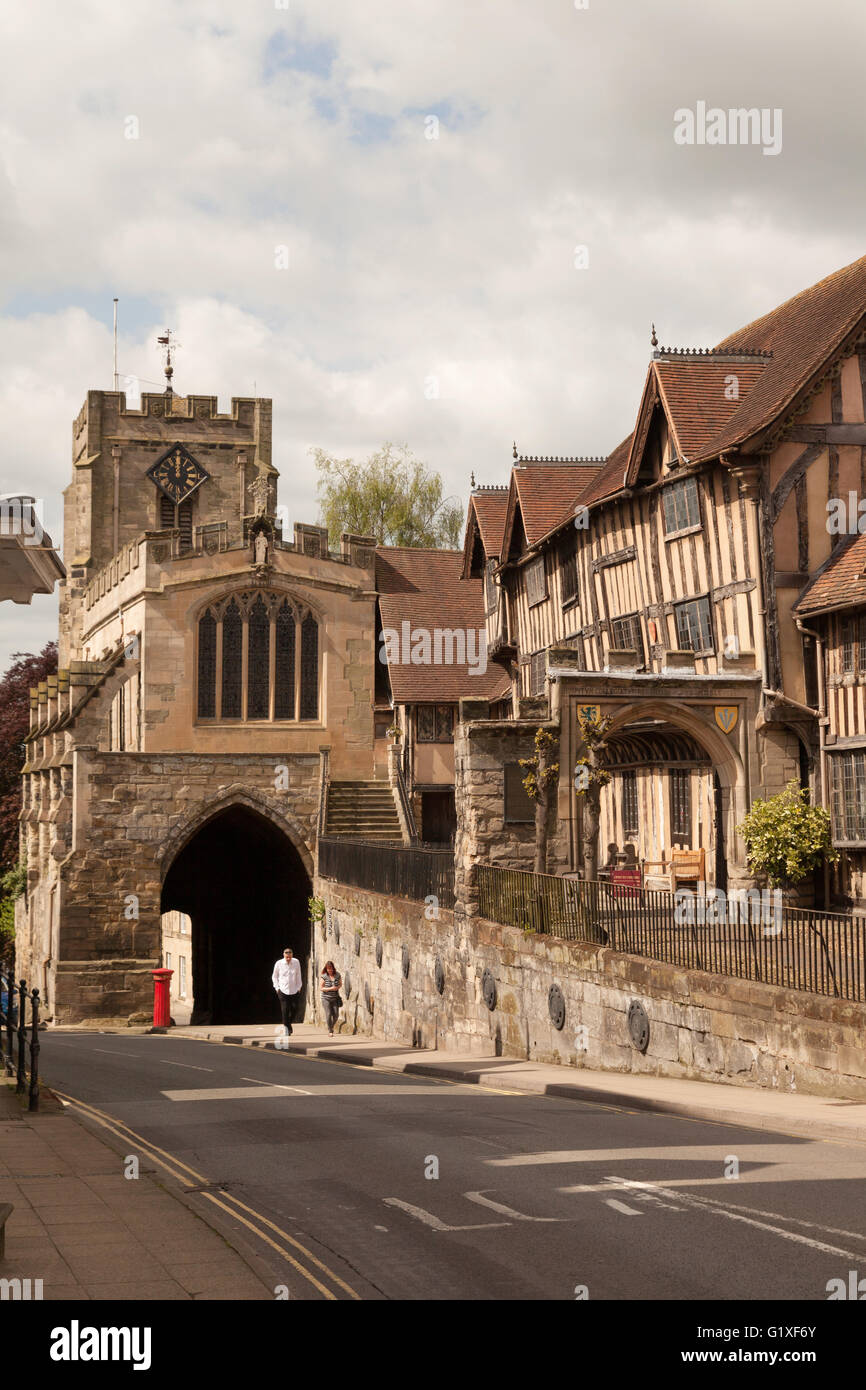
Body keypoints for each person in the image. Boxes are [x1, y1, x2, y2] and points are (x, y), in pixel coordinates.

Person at [272, 947, 302, 1035]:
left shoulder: (296, 962)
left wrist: (299, 987)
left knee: (295, 1008)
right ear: (284, 955)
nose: (288, 958)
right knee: (285, 1010)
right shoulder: (279, 963)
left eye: (290, 957)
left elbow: (298, 975)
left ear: (292, 955)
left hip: (294, 990)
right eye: (287, 957)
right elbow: (274, 976)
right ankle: (286, 1029)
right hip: (283, 990)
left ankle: (288, 1024)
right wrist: (277, 988)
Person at [320, 960, 343, 1036]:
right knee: (328, 1014)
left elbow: (340, 984)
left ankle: (331, 1027)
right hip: (325, 998)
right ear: (326, 969)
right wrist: (331, 989)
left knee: (336, 1015)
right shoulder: (324, 976)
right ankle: (330, 1031)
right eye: (328, 969)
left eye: (331, 968)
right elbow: (321, 988)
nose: (330, 970)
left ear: (333, 968)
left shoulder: (337, 975)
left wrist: (337, 988)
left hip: (335, 998)